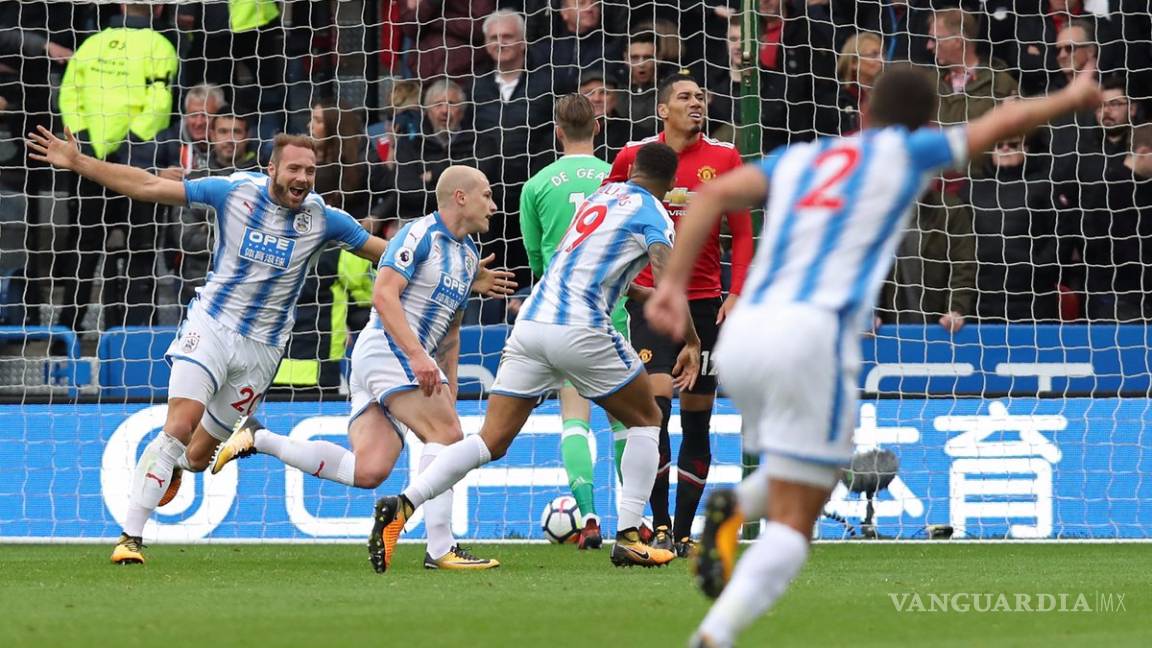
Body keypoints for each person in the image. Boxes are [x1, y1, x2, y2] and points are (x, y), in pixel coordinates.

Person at [642, 64, 1102, 648]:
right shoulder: (906, 154)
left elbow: (714, 196)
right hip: (812, 336)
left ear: (863, 111)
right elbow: (1002, 120)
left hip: (744, 333)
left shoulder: (807, 157)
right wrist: (1071, 95)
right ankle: (715, 635)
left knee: (815, 468)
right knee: (796, 522)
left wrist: (671, 287)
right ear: (925, 123)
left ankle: (738, 500)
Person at [28, 129, 391, 564]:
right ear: (271, 168)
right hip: (212, 326)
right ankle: (130, 536)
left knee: (198, 458)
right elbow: (148, 185)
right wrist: (80, 162)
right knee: (179, 425)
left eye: (310, 171)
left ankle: (236, 443)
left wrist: (461, 275)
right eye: (294, 168)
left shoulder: (323, 218)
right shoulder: (233, 191)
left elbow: (386, 254)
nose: (303, 178)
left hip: (262, 351)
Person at [369, 143, 701, 572]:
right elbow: (670, 281)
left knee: (491, 440)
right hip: (582, 327)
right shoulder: (654, 213)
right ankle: (630, 536)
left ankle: (403, 504)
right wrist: (691, 340)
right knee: (646, 418)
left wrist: (634, 291)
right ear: (671, 183)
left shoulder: (600, 199)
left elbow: (580, 265)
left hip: (530, 325)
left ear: (632, 169)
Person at [212, 166, 511, 570]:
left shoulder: (469, 254)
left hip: (400, 361)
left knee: (368, 470)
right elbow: (384, 296)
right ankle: (440, 548)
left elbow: (452, 333)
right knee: (448, 435)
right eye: (487, 195)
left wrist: (449, 388)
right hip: (389, 350)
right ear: (460, 197)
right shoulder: (418, 236)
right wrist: (418, 357)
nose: (493, 205)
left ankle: (259, 438)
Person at [607, 72, 754, 556]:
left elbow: (743, 232)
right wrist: (620, 281)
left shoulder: (724, 157)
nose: (696, 103)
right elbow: (607, 214)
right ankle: (659, 524)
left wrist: (735, 293)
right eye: (685, 97)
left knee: (697, 418)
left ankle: (686, 531)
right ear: (662, 110)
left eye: (700, 96)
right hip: (650, 300)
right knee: (653, 411)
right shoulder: (634, 156)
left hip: (706, 302)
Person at [517, 94, 624, 550]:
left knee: (574, 420)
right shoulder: (617, 180)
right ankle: (639, 519)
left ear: (558, 131)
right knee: (629, 424)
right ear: (597, 128)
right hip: (612, 311)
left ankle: (589, 514)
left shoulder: (537, 185)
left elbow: (537, 262)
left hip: (561, 314)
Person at [56, 3, 178, 331]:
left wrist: (84, 142)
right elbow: (159, 102)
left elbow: (69, 96)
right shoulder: (160, 45)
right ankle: (138, 333)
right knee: (141, 251)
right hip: (137, 167)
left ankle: (66, 331)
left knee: (83, 250)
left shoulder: (90, 45)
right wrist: (128, 148)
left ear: (121, 5)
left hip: (87, 162)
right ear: (160, 7)